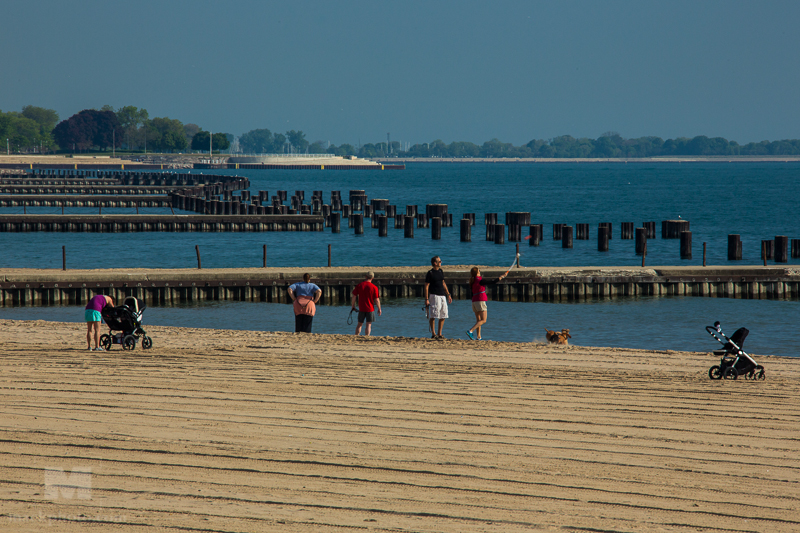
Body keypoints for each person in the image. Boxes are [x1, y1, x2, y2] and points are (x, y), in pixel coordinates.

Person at [466, 267, 506, 340]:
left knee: (479, 320)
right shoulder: (480, 280)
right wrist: (500, 277)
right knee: (484, 320)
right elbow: (492, 282)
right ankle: (470, 331)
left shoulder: (472, 281)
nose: (480, 271)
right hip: (480, 300)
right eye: (479, 271)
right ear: (477, 273)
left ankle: (478, 336)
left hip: (474, 301)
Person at [424, 255, 452, 339]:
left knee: (443, 314)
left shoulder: (440, 271)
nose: (441, 262)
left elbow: (443, 283)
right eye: (439, 261)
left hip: (442, 295)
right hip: (434, 295)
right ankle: (433, 333)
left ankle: (440, 333)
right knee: (433, 315)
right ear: (435, 263)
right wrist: (426, 299)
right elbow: (426, 286)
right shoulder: (430, 273)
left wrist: (448, 294)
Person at [351, 271, 381, 336]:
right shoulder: (374, 287)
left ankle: (356, 336)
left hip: (361, 308)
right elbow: (377, 300)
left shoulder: (360, 285)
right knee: (368, 325)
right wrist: (379, 308)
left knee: (359, 324)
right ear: (372, 278)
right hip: (370, 309)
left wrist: (353, 306)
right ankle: (367, 337)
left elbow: (354, 296)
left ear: (365, 276)